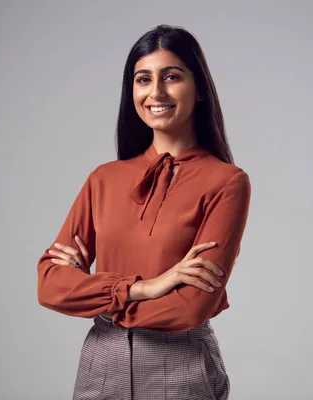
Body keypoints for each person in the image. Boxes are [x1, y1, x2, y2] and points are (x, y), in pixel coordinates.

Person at [37, 24, 251, 400]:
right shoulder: (104, 179)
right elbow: (49, 285)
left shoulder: (226, 182)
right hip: (101, 363)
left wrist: (93, 296)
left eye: (172, 77)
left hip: (181, 364)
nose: (156, 92)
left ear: (199, 88)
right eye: (143, 79)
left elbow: (190, 308)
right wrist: (145, 287)